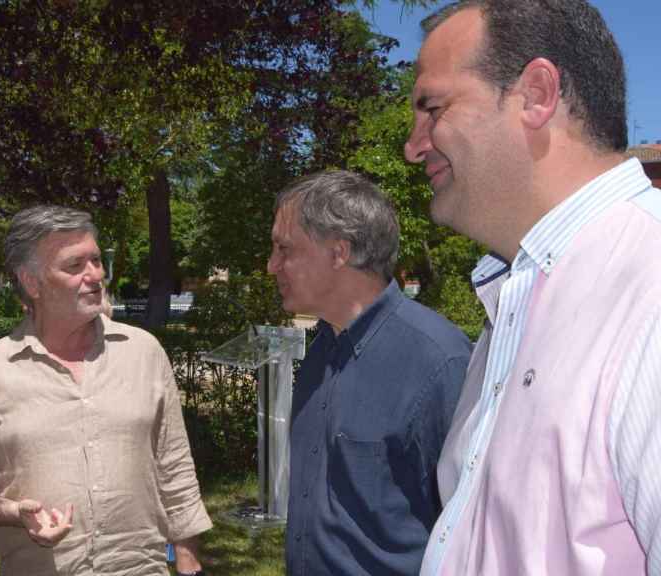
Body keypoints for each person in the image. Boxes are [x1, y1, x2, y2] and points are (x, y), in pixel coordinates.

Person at [404, 1, 661, 574]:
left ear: (537, 94)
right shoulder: (515, 295)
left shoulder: (650, 288)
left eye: (433, 108)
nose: (414, 145)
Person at [0, 204, 211, 576]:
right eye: (75, 266)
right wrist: (9, 513)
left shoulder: (143, 352)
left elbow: (174, 466)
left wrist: (188, 561)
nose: (95, 275)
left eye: (95, 260)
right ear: (32, 282)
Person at [268, 170, 471, 575]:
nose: (272, 266)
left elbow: (471, 529)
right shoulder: (322, 349)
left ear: (338, 253)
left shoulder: (439, 363)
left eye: (284, 249)